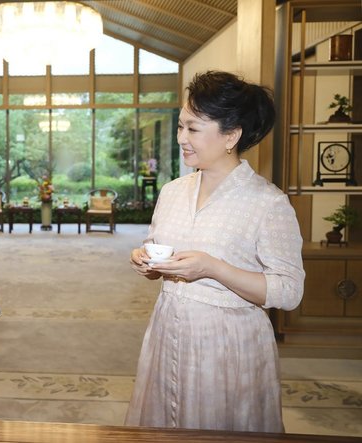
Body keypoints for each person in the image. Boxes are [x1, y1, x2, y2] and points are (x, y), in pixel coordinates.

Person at [125, 71, 305, 433]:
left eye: (193, 129)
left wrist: (213, 268)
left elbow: (289, 291)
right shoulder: (173, 191)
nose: (181, 139)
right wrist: (146, 260)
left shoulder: (267, 202)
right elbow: (157, 246)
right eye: (180, 127)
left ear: (231, 135)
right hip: (167, 331)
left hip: (229, 345)